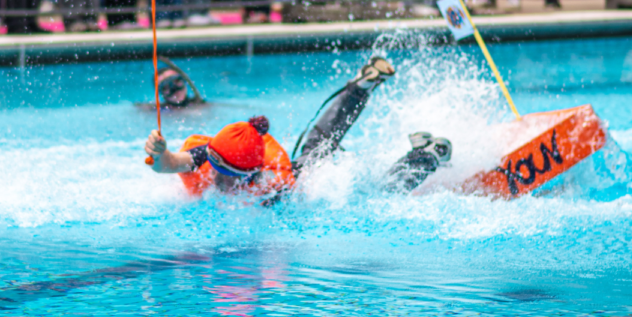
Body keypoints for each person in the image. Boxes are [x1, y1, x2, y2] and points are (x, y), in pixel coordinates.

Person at [143, 56, 454, 200]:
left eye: (225, 175)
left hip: (302, 184)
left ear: (249, 174)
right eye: (216, 167)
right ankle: (360, 87)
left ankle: (428, 155)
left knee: (377, 195)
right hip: (273, 166)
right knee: (320, 141)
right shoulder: (208, 154)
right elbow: (170, 164)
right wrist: (158, 154)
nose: (216, 177)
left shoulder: (272, 178)